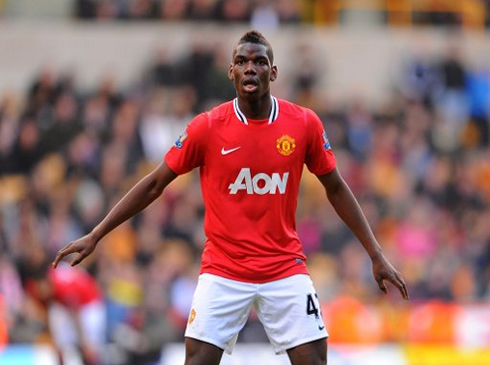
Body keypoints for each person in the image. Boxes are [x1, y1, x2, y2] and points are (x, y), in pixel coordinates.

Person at [53, 30, 409, 365]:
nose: (249, 67)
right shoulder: (208, 127)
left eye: (258, 61)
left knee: (315, 360)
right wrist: (96, 234)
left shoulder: (303, 124)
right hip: (223, 270)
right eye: (241, 61)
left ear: (273, 71)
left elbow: (335, 188)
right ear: (231, 71)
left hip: (283, 268)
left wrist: (375, 254)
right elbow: (154, 184)